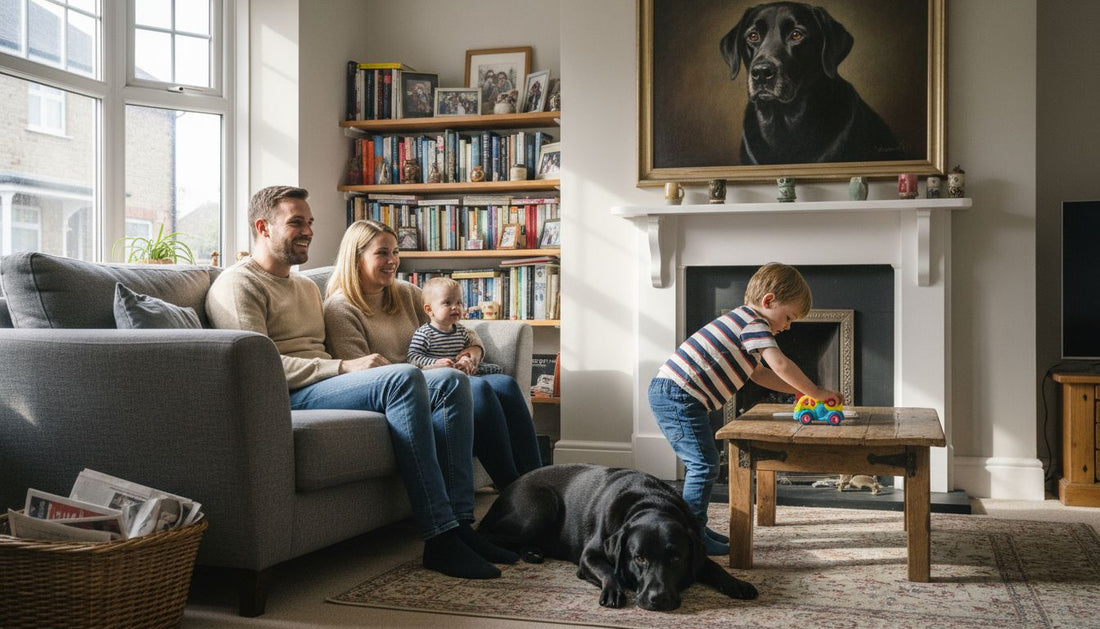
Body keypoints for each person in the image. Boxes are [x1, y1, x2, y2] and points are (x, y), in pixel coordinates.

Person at [206, 186, 515, 579]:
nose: (308, 231)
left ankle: (460, 526)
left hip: (324, 384)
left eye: (310, 222)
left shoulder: (302, 285)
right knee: (402, 378)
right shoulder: (238, 285)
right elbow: (256, 368)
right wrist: (341, 368)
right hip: (289, 394)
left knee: (451, 381)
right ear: (263, 227)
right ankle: (439, 537)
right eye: (296, 222)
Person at [323, 220, 543, 490]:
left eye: (395, 252)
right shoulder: (340, 308)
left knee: (505, 385)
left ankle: (540, 484)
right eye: (382, 253)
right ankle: (516, 492)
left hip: (441, 374)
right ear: (356, 257)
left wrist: (472, 353)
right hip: (401, 389)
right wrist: (434, 368)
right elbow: (363, 379)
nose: (392, 261)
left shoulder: (404, 293)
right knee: (481, 391)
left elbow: (458, 327)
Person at [647, 262, 844, 556]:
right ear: (768, 301)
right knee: (704, 464)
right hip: (677, 394)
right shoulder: (754, 323)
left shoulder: (742, 324)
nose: (788, 327)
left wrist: (802, 393)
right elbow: (780, 364)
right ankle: (689, 536)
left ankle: (695, 526)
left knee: (702, 463)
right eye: (788, 317)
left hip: (678, 393)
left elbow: (761, 374)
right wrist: (815, 391)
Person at [407, 277, 503, 375]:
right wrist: (435, 362)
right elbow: (413, 358)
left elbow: (468, 353)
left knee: (497, 369)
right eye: (447, 303)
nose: (455, 307)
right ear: (429, 310)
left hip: (460, 369)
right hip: (438, 373)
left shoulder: (462, 331)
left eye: (459, 302)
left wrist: (466, 359)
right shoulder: (424, 334)